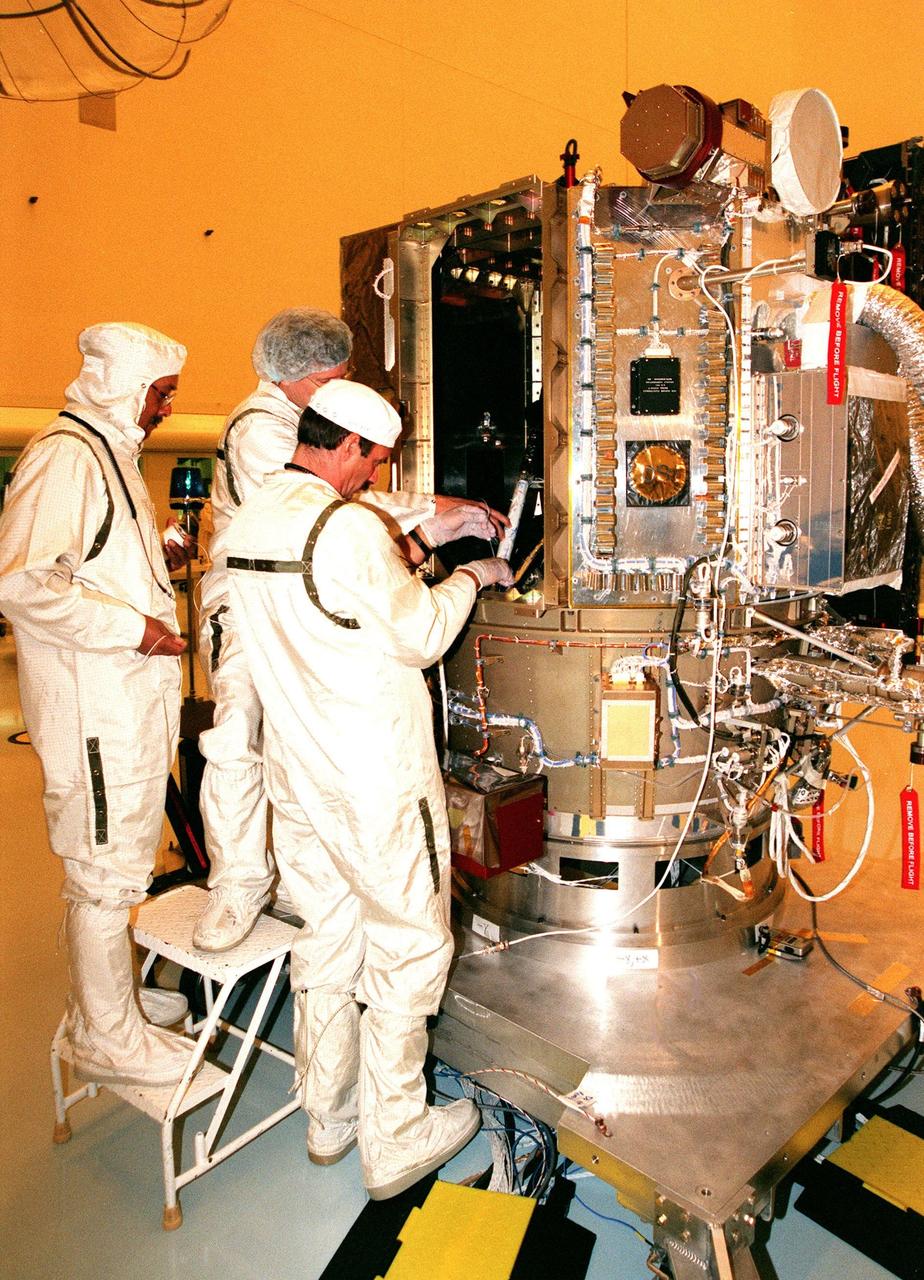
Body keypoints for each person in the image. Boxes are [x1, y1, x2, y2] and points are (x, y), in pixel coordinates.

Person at [225, 379, 513, 1199]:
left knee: (327, 936)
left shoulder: (257, 514)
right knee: (408, 942)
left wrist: (416, 553)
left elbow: (334, 602)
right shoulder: (344, 526)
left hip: (301, 775)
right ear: (346, 447)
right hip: (375, 779)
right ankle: (398, 1134)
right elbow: (419, 633)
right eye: (373, 462)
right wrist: (475, 576)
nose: (370, 479)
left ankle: (328, 1113)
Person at [194, 308, 505, 951]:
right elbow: (330, 508)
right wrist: (441, 528)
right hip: (253, 607)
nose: (340, 387)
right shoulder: (261, 431)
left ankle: (295, 874)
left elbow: (343, 500)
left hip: (290, 598)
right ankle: (239, 883)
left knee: (290, 750)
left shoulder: (299, 429)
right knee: (239, 742)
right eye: (333, 376)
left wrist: (432, 519)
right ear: (298, 378)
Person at [0, 322, 195, 1086]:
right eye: (160, 395)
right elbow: (20, 582)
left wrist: (159, 555)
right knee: (104, 874)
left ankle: (104, 1008)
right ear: (125, 387)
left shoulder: (107, 453)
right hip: (96, 712)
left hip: (120, 704)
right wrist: (137, 628)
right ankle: (111, 1037)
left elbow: (93, 560)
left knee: (112, 866)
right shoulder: (66, 456)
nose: (165, 410)